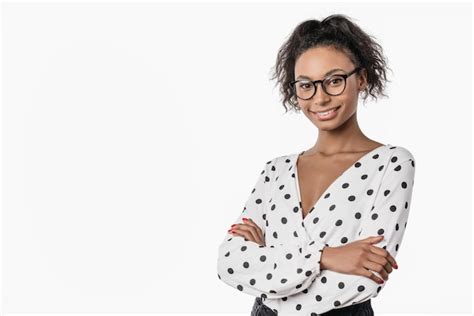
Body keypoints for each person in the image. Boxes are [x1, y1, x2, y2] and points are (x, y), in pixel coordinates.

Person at [216, 13, 416, 315]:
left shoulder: (391, 163)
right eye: (306, 85)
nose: (320, 97)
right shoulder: (276, 170)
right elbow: (230, 263)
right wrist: (326, 257)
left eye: (335, 80)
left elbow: (363, 281)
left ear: (361, 78)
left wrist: (271, 262)